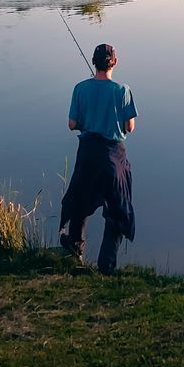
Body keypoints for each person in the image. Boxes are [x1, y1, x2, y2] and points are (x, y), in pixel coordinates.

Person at [59, 42, 137, 274]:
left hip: (88, 155)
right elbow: (129, 127)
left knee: (80, 202)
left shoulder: (79, 88)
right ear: (115, 62)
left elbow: (72, 124)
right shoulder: (122, 90)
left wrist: (87, 123)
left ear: (93, 62)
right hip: (114, 158)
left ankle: (75, 251)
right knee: (117, 210)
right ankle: (106, 265)